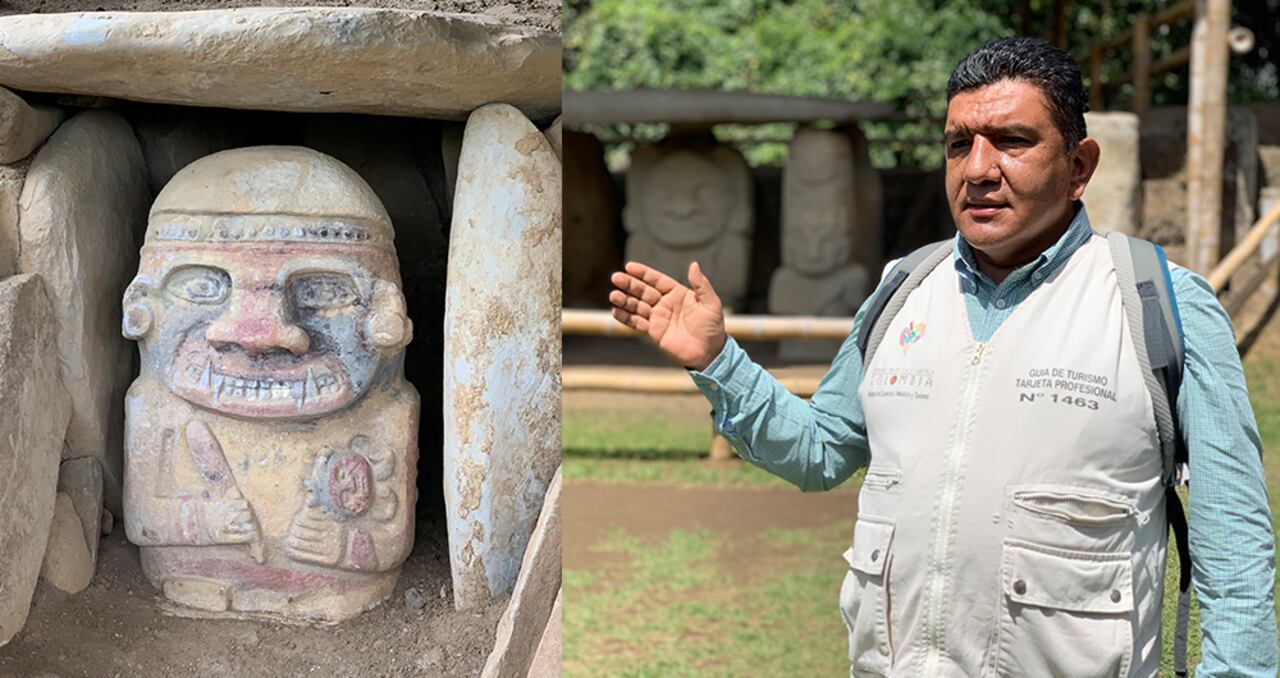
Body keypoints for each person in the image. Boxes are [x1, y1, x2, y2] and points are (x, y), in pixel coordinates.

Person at [608, 37, 1277, 676]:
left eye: (1012, 141)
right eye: (960, 144)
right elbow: (819, 451)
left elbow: (1235, 540)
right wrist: (720, 361)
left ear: (1079, 166)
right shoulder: (905, 289)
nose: (979, 169)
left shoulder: (1158, 302)